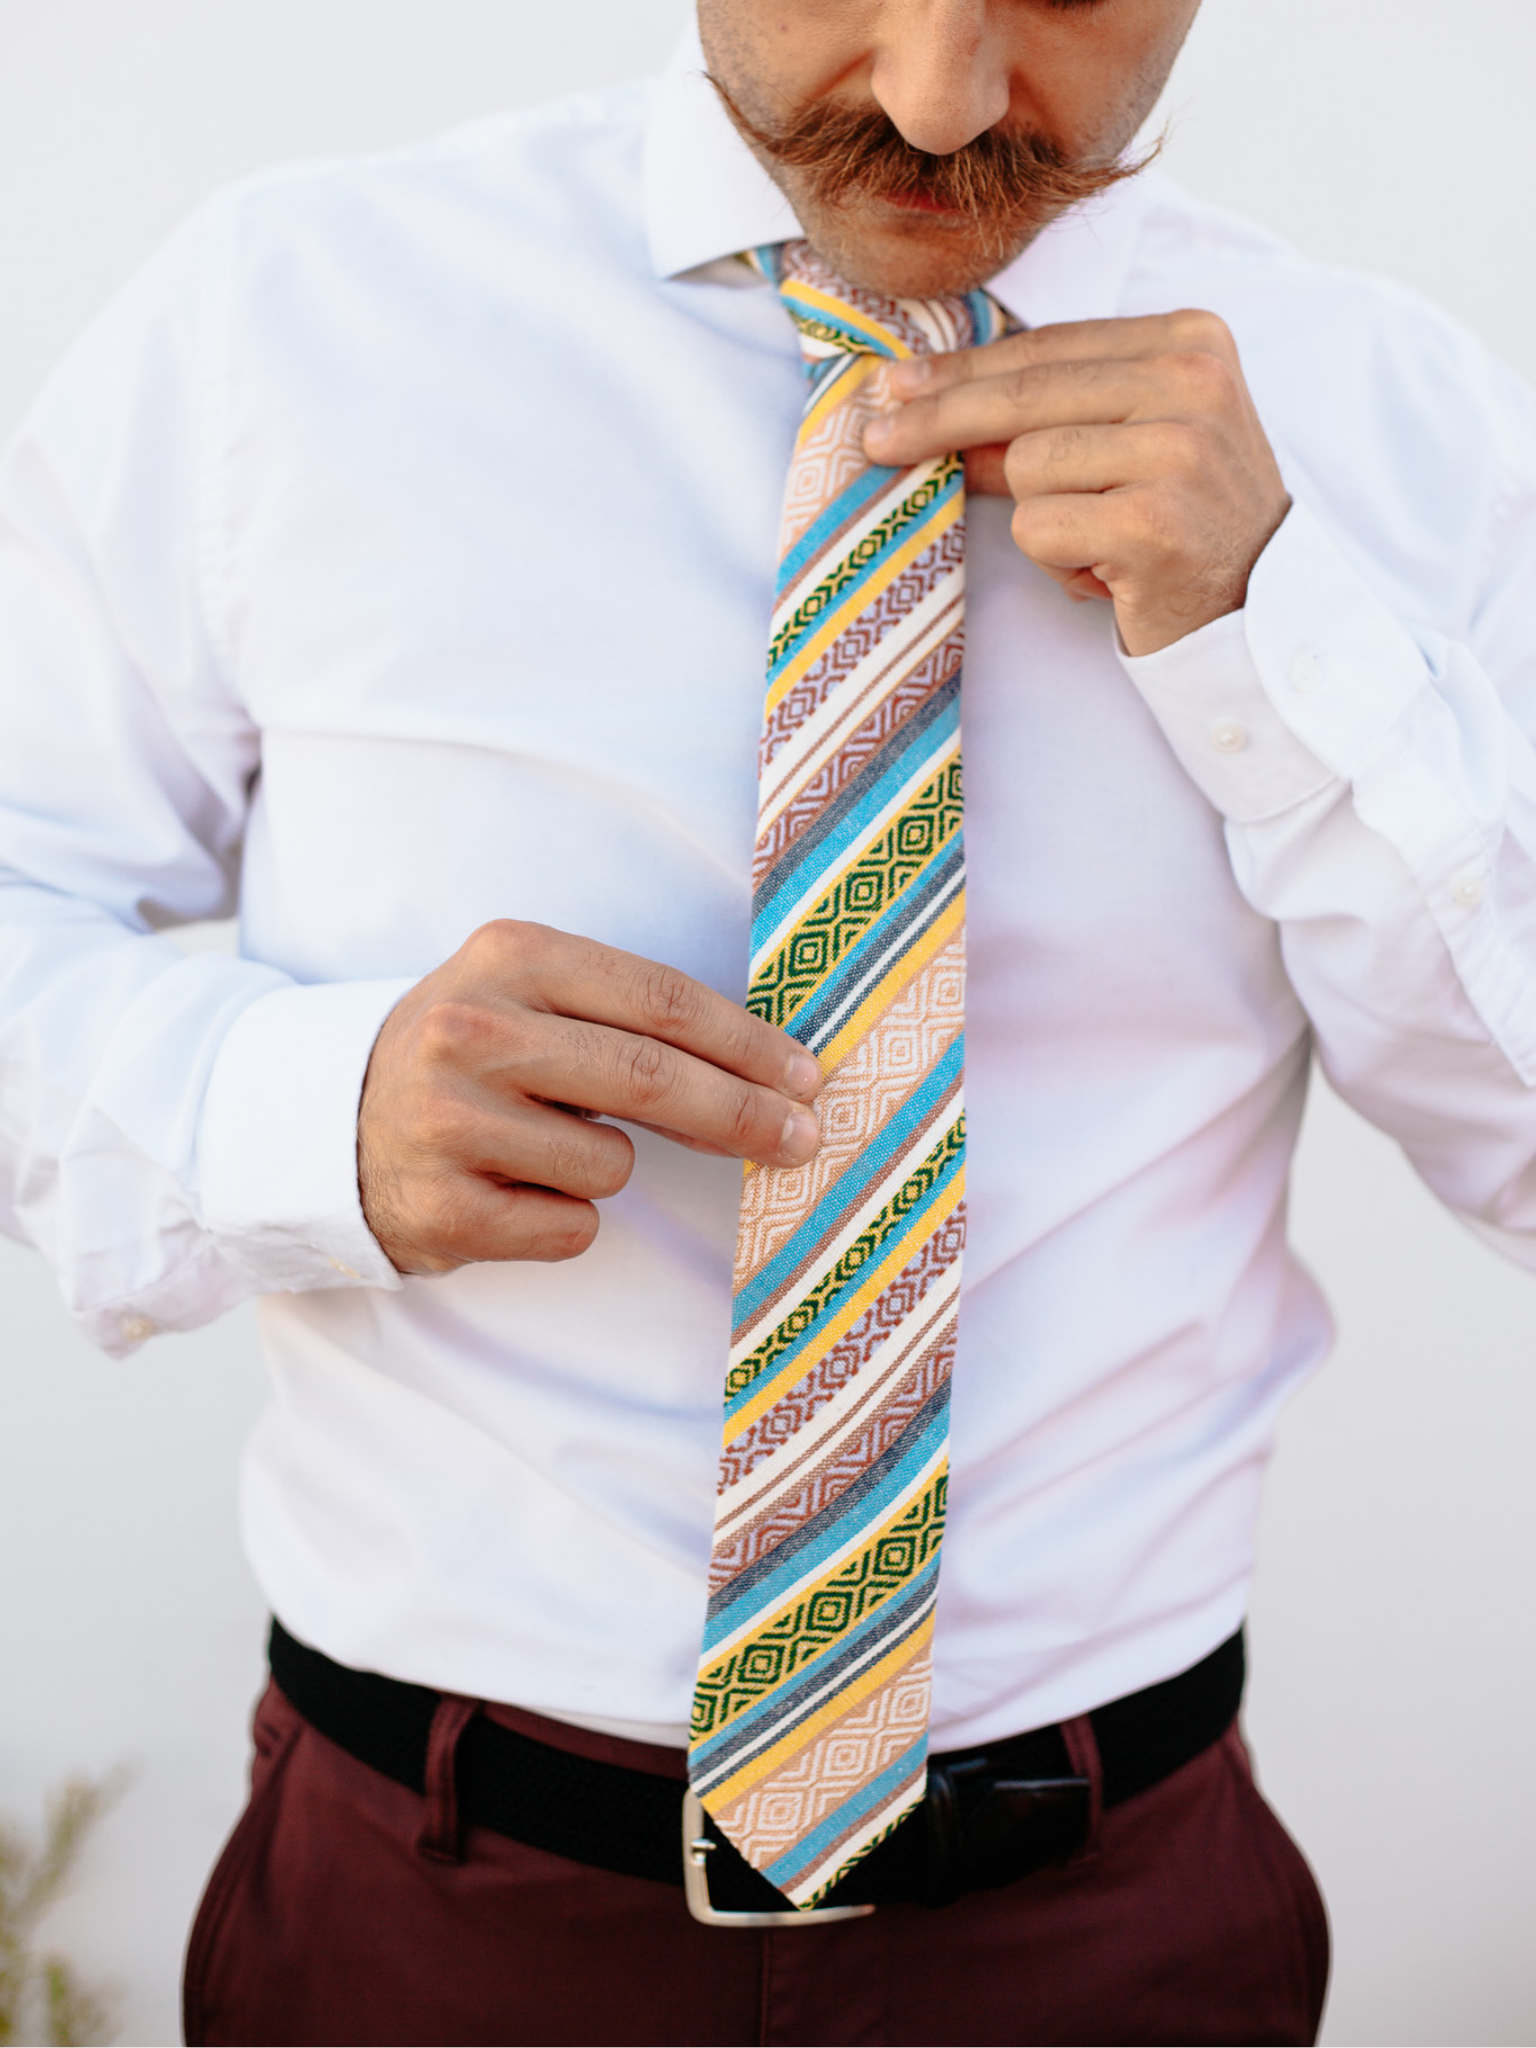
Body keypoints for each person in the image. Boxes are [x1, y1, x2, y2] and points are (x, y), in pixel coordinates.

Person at [2, 0, 1533, 2039]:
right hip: (425, 1917)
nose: (937, 99)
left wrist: (1290, 644)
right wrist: (295, 1109)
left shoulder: (1401, 427)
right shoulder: (285, 322)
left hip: (1113, 1927)